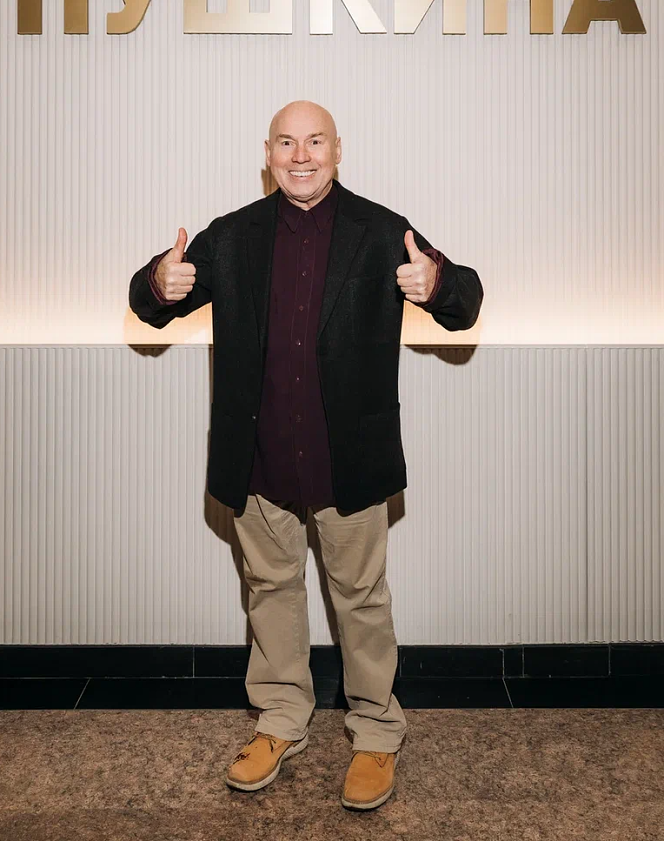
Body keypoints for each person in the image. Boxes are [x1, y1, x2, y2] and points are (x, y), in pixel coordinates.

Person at [129, 100, 483, 811]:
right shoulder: (232, 235)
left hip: (348, 461)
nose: (300, 155)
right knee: (270, 592)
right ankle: (281, 720)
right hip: (258, 460)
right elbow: (152, 300)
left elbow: (465, 301)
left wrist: (439, 285)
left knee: (362, 599)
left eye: (314, 141)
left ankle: (376, 731)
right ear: (268, 154)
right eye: (286, 143)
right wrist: (157, 283)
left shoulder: (381, 231)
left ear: (337, 150)